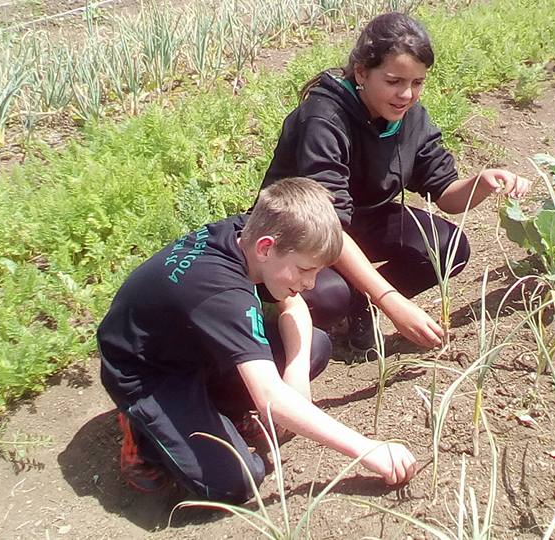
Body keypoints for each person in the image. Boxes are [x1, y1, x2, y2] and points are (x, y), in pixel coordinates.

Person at [96, 177, 417, 500]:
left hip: (193, 347)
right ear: (266, 247)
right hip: (148, 375)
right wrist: (367, 449)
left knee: (313, 347)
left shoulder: (247, 234)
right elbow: (270, 398)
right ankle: (143, 439)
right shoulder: (221, 291)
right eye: (305, 270)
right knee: (238, 479)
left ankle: (223, 411)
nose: (310, 283)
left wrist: (295, 374)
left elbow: (294, 306)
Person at [261, 12, 530, 353]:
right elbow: (327, 224)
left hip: (360, 222)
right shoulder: (324, 119)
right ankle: (275, 322)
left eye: (417, 83)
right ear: (361, 72)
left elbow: (445, 193)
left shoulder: (410, 117)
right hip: (299, 233)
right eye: (393, 81)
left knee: (448, 249)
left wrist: (483, 182)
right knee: (329, 297)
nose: (406, 94)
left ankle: (360, 303)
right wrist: (392, 301)